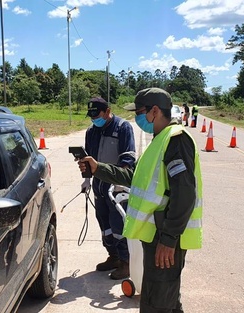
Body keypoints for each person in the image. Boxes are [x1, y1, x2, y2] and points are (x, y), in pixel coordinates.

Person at [78, 88, 203, 312]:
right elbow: (134, 179)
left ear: (155, 111)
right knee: (167, 301)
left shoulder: (176, 140)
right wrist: (99, 169)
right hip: (156, 236)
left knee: (156, 304)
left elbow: (185, 193)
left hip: (164, 239)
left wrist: (169, 239)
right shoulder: (159, 140)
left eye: (140, 112)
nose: (137, 118)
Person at [83, 96, 136, 280]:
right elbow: (88, 158)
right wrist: (86, 179)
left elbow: (128, 158)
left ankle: (126, 262)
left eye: (97, 115)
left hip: (117, 185)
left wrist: (121, 180)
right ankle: (113, 256)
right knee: (104, 222)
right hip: (99, 184)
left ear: (107, 111)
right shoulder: (91, 132)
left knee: (118, 223)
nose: (93, 120)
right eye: (91, 116)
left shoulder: (123, 128)